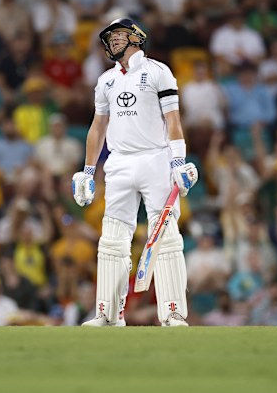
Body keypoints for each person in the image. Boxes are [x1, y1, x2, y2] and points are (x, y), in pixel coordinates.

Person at [71, 18, 198, 327]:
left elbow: (173, 120)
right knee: (112, 239)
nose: (113, 41)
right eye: (110, 37)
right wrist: (88, 171)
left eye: (119, 35)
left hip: (155, 158)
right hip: (118, 162)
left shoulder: (158, 72)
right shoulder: (106, 81)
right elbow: (98, 126)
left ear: (136, 38)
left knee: (166, 236)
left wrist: (178, 161)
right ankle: (108, 314)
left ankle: (172, 313)